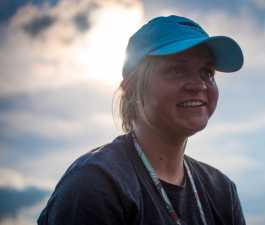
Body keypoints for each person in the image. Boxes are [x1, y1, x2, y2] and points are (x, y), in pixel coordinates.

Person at [38, 15, 246, 225]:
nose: (199, 85)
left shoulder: (221, 191)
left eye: (207, 72)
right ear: (131, 88)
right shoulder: (95, 184)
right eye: (176, 70)